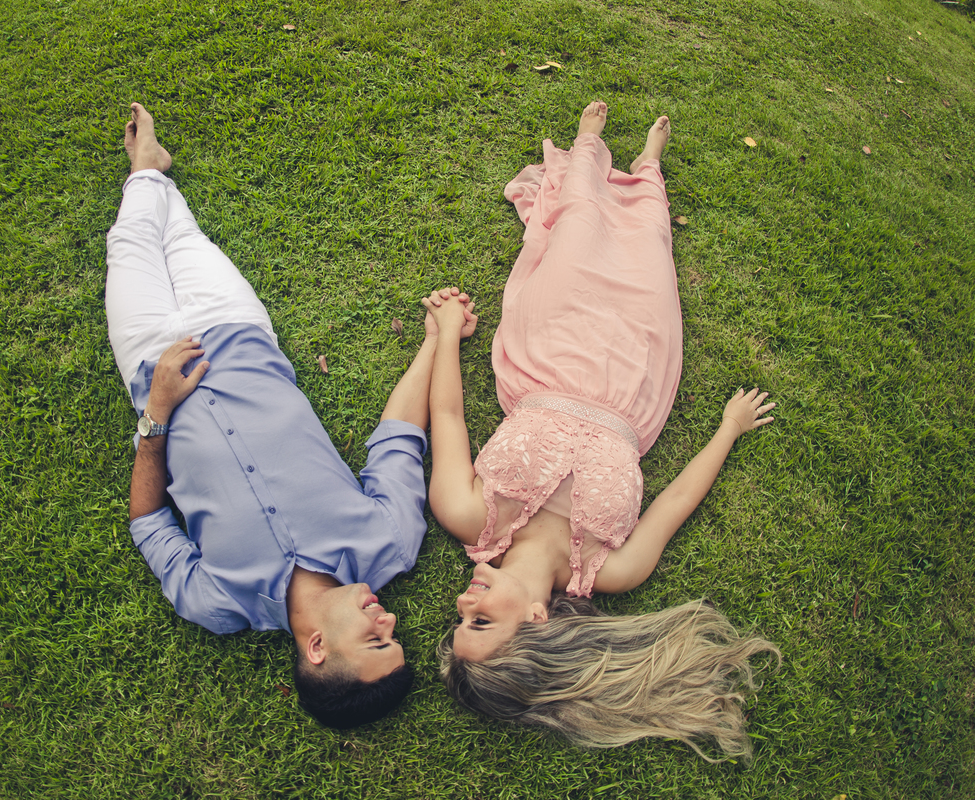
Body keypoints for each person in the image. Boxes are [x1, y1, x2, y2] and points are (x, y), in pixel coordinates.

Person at [423, 101, 781, 762]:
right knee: (649, 253)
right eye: (480, 621)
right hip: (633, 383)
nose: (463, 601)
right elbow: (676, 501)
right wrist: (728, 430)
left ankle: (588, 145)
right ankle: (648, 166)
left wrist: (445, 334)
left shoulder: (467, 514)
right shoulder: (613, 571)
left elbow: (446, 417)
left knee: (580, 228)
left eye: (459, 618)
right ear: (535, 623)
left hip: (547, 350)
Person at [105, 103, 477, 728]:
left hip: (150, 362)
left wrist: (158, 410)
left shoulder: (218, 603)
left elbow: (149, 525)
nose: (389, 618)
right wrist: (438, 340)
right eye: (392, 632)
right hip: (237, 329)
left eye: (377, 638)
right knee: (185, 241)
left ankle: (148, 169)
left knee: (129, 245)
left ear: (318, 648)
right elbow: (399, 437)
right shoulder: (389, 543)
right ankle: (151, 171)